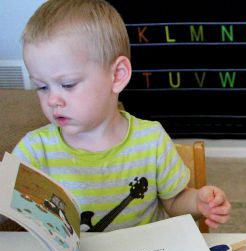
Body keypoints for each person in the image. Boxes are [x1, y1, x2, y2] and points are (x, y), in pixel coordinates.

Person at [13, 0, 230, 232]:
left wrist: (198, 202)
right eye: (42, 87)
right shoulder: (34, 150)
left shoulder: (151, 140)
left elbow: (174, 202)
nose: (52, 100)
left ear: (117, 75)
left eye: (67, 84)